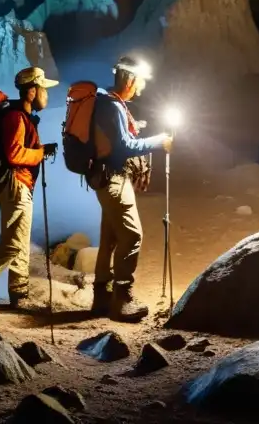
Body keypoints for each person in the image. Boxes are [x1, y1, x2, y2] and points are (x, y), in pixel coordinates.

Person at [0, 67, 58, 320]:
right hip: (14, 183)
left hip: (19, 183)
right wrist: (40, 153)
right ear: (32, 91)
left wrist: (39, 151)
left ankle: (19, 294)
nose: (47, 95)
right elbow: (14, 154)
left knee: (19, 240)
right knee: (12, 243)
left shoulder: (21, 116)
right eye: (44, 89)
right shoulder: (15, 117)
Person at [89, 55, 172, 323]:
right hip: (113, 179)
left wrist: (138, 130)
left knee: (110, 238)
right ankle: (122, 300)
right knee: (132, 235)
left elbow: (117, 138)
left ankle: (101, 297)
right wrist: (158, 142)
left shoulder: (105, 102)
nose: (141, 88)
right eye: (140, 83)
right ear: (130, 79)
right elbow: (124, 146)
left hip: (104, 179)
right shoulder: (112, 107)